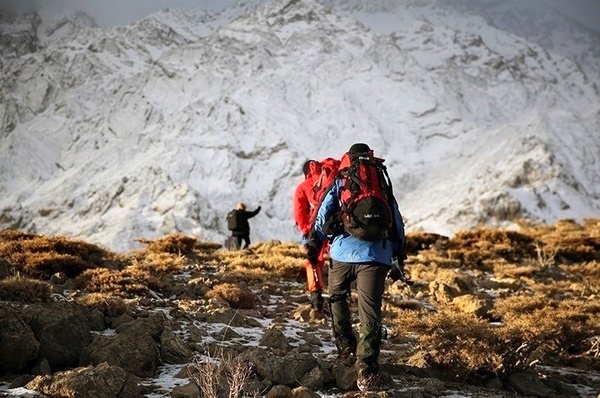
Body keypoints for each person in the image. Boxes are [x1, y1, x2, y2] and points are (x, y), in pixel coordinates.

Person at [306, 143, 406, 392]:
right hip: (377, 256)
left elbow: (322, 214)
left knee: (337, 297)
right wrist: (398, 254)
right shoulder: (380, 181)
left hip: (341, 253)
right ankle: (367, 369)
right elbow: (396, 219)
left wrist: (314, 244)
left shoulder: (342, 179)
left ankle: (346, 347)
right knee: (370, 311)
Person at [293, 159, 327, 311]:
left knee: (313, 262)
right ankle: (340, 294)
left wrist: (306, 230)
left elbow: (299, 212)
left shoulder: (303, 187)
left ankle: (316, 296)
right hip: (335, 228)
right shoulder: (331, 181)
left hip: (313, 230)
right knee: (336, 260)